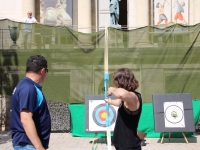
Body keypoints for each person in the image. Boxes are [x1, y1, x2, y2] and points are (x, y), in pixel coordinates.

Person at [10, 55, 51, 150]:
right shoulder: (28, 88)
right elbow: (26, 119)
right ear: (42, 71)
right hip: (27, 144)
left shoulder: (25, 86)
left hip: (28, 144)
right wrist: (39, 147)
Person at [105, 68, 142, 150]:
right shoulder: (127, 98)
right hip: (122, 144)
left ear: (120, 81)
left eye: (115, 81)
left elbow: (121, 94)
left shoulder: (133, 96)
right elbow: (119, 103)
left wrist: (113, 89)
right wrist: (108, 101)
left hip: (129, 146)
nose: (115, 84)